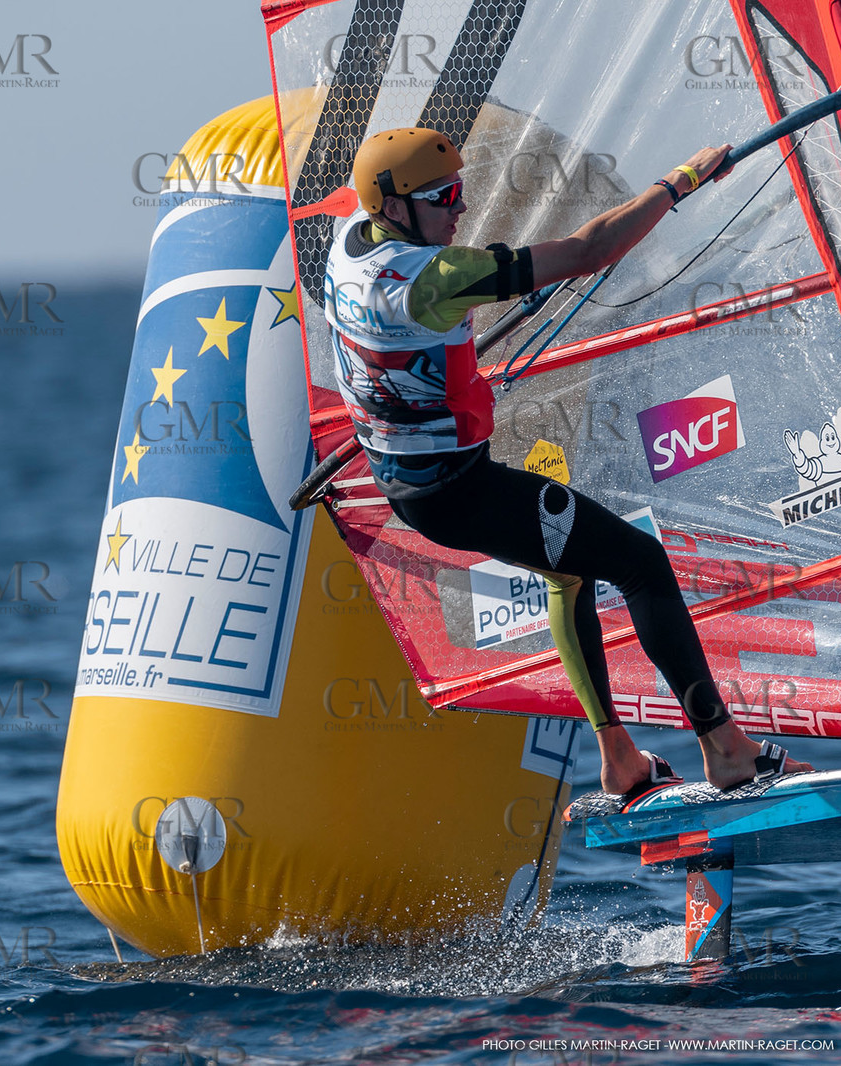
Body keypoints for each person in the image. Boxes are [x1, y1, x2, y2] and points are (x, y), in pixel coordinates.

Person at [324, 126, 813, 798]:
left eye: (460, 191)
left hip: (410, 481)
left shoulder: (353, 241)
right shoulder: (436, 279)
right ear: (396, 208)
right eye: (444, 197)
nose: (460, 208)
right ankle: (725, 748)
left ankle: (620, 762)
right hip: (460, 489)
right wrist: (685, 178)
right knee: (642, 565)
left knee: (569, 574)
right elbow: (593, 250)